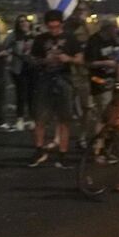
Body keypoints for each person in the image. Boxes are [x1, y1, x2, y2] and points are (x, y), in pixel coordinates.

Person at [26, 10, 82, 168]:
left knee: (64, 118)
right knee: (40, 117)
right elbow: (32, 59)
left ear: (61, 25)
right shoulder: (40, 39)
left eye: (56, 27)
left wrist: (68, 58)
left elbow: (80, 58)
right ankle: (39, 149)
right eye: (51, 28)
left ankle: (63, 153)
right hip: (44, 79)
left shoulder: (70, 38)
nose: (53, 30)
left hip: (64, 79)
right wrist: (44, 61)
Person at [83, 19, 119, 140]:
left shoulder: (113, 41)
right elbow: (88, 63)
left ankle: (108, 143)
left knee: (114, 114)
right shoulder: (94, 41)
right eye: (114, 28)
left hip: (113, 81)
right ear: (107, 29)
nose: (116, 31)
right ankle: (98, 146)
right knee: (103, 114)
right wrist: (105, 63)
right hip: (99, 81)